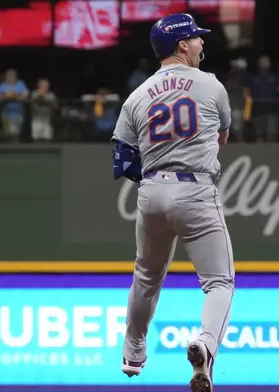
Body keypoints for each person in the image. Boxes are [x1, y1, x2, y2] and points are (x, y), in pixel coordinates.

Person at [111, 13, 234, 392]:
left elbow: (122, 159)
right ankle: (205, 344)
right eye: (196, 38)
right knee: (218, 283)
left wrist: (156, 169)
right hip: (196, 187)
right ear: (182, 46)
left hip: (152, 190)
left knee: (146, 277)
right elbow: (222, 139)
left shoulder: (136, 95)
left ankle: (133, 354)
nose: (201, 43)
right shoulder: (211, 85)